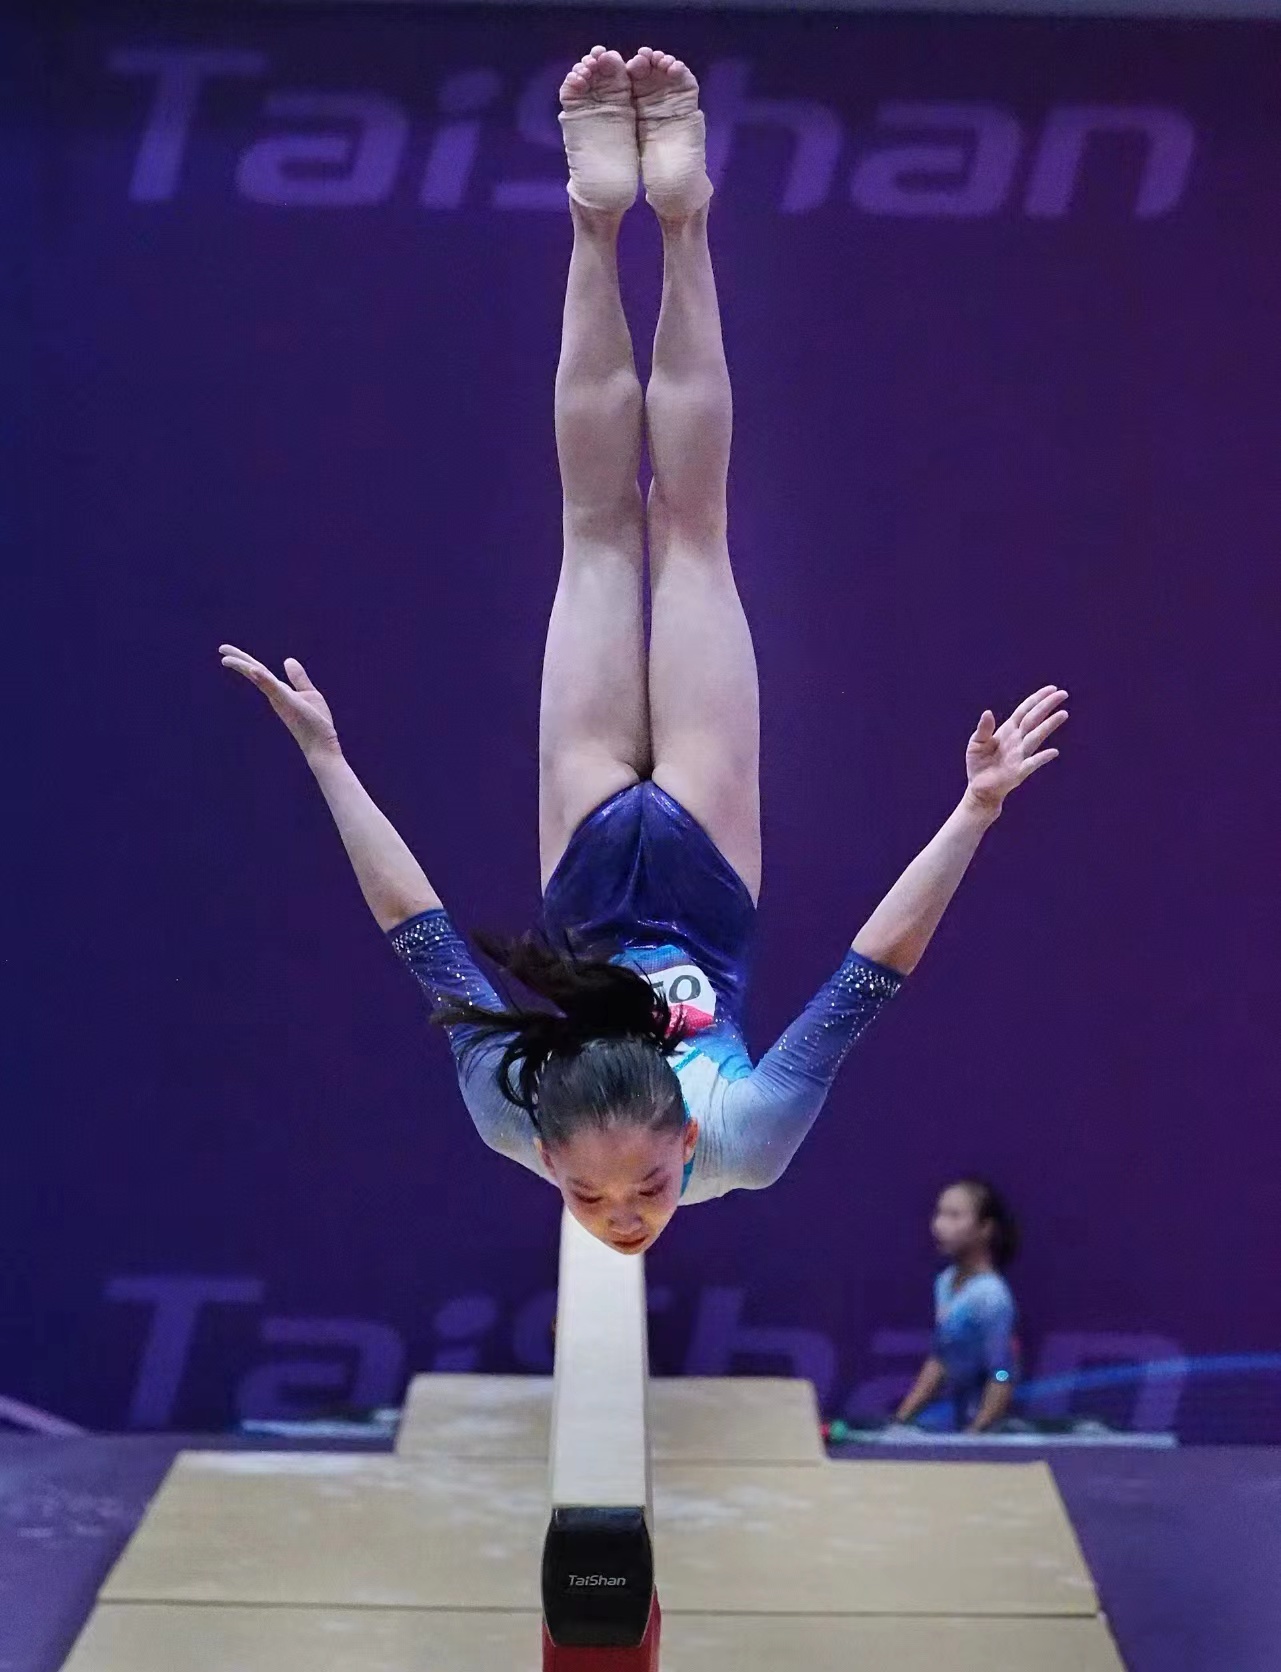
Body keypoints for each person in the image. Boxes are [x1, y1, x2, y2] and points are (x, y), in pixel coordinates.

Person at [218, 47, 1070, 1258]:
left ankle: (591, 213)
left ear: (549, 1153)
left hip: (582, 854)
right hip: (708, 864)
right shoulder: (747, 1139)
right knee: (692, 524)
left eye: (595, 1197)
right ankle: (682, 215)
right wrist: (971, 813)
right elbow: (873, 967)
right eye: (647, 1192)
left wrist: (328, 761)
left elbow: (416, 925)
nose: (625, 1214)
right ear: (684, 1137)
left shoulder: (510, 1110)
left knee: (597, 525)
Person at [892, 1179, 1022, 1434]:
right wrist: (900, 1420)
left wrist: (977, 1433)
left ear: (985, 1228)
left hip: (988, 1434)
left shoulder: (991, 1296)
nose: (939, 1225)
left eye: (954, 1216)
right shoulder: (945, 1282)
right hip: (957, 1427)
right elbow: (941, 1360)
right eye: (939, 1214)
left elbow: (1002, 1372)